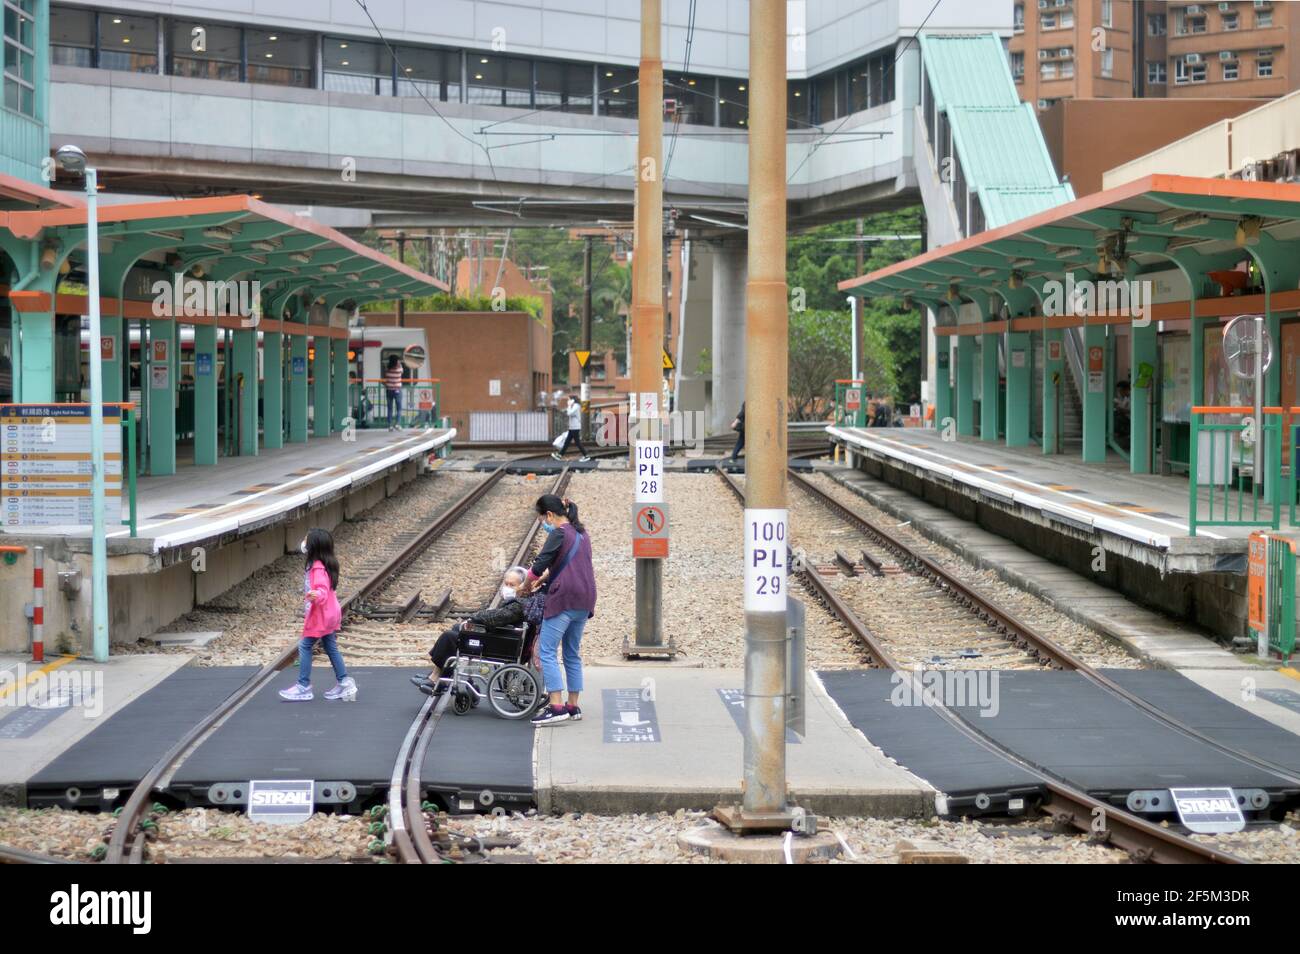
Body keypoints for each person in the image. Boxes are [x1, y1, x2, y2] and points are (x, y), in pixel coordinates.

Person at [526, 494, 596, 726]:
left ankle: (556, 706)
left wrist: (524, 586)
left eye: (541, 520)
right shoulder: (582, 534)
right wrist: (545, 577)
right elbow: (573, 564)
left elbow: (538, 566)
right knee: (571, 653)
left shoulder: (559, 532)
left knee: (546, 651)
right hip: (584, 599)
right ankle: (572, 705)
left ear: (549, 515)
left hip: (564, 598)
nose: (543, 524)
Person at [410, 567, 532, 697]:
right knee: (457, 628)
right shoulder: (519, 602)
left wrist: (475, 617)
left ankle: (435, 678)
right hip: (503, 639)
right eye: (506, 583)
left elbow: (495, 618)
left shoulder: (518, 605)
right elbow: (498, 616)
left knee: (449, 637)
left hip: (500, 645)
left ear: (523, 586)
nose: (507, 587)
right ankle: (440, 676)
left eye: (512, 585)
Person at [280, 529, 355, 702]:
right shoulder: (326, 563)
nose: (304, 542)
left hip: (321, 614)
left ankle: (303, 686)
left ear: (313, 545)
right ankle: (344, 682)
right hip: (330, 612)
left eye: (306, 539)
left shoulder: (318, 567)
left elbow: (322, 589)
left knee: (305, 646)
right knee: (330, 647)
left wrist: (317, 595)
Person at [552, 392, 591, 462]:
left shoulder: (576, 406)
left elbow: (569, 413)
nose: (568, 401)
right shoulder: (574, 406)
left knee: (577, 443)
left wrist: (569, 406)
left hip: (575, 427)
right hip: (572, 427)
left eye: (569, 399)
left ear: (573, 400)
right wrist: (569, 406)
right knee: (567, 442)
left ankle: (586, 456)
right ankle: (559, 455)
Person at [384, 354, 404, 431]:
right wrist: (400, 363)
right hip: (397, 390)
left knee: (390, 408)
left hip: (389, 390)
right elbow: (402, 370)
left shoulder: (387, 369)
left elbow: (386, 375)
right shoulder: (399, 369)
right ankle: (398, 424)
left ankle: (390, 425)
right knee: (399, 408)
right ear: (397, 361)